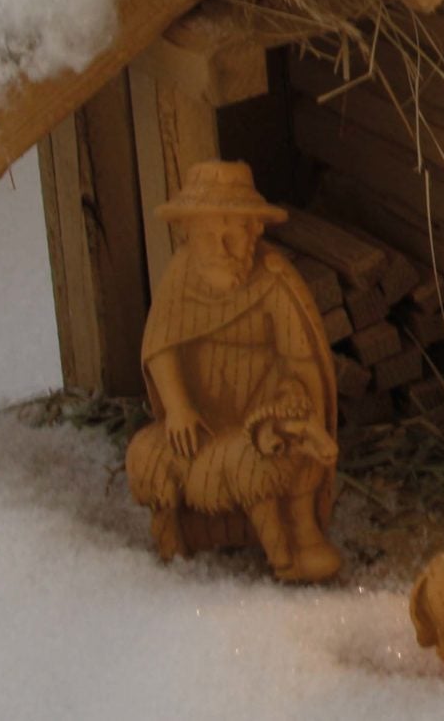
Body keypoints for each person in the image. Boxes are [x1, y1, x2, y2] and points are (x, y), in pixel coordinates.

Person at [135, 161, 341, 582]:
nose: (223, 248)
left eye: (233, 235)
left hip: (266, 414)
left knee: (298, 439)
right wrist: (178, 406)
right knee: (168, 457)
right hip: (202, 422)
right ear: (188, 234)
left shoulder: (273, 281)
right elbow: (160, 347)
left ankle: (300, 528)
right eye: (208, 237)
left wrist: (294, 404)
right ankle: (188, 529)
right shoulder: (180, 279)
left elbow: (303, 363)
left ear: (254, 231)